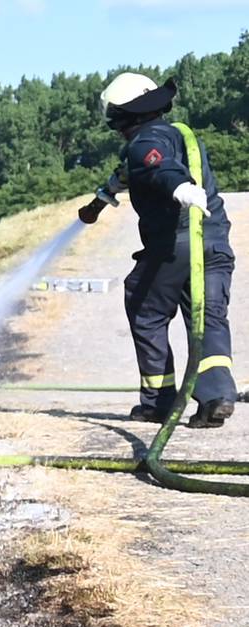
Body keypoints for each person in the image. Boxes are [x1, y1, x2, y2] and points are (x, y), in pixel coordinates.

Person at [82, 73, 236, 429]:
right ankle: (217, 397)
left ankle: (159, 401)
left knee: (143, 304)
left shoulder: (143, 143)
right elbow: (126, 175)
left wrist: (180, 187)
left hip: (175, 244)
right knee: (207, 316)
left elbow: (157, 165)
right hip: (213, 241)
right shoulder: (178, 133)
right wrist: (99, 203)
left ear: (123, 118)